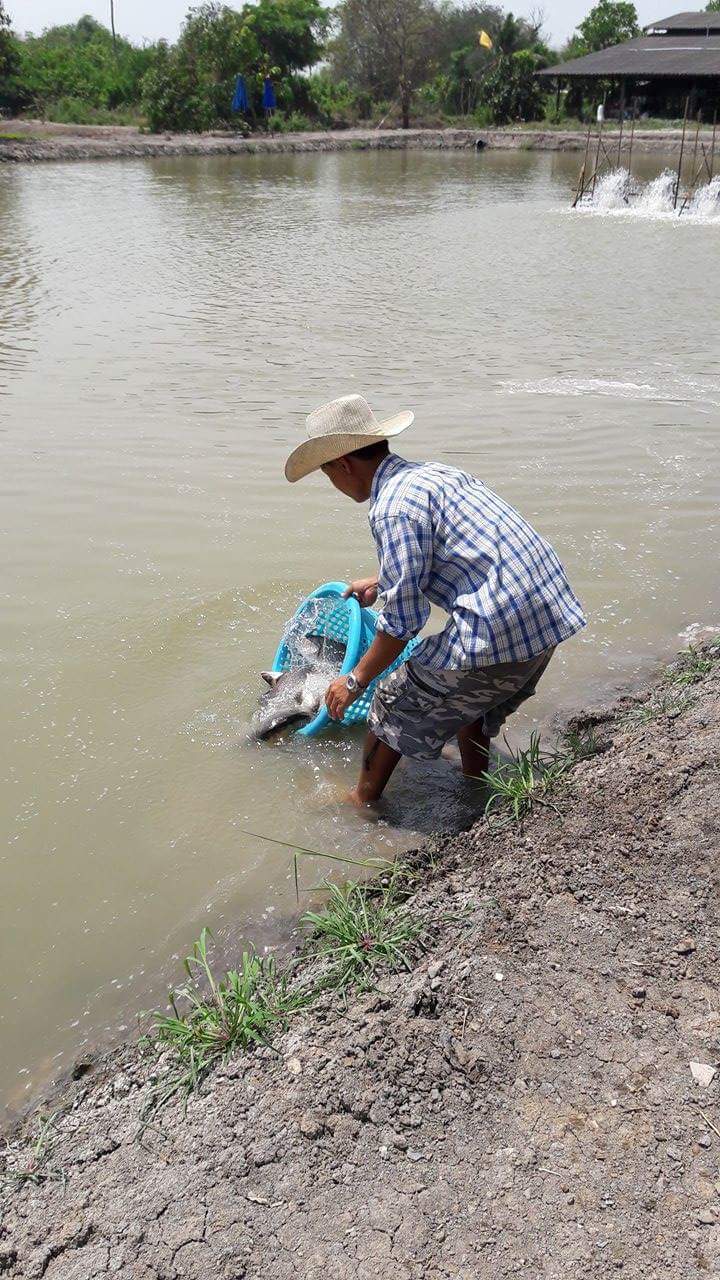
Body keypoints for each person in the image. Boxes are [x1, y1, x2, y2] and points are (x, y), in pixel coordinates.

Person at [285, 394, 586, 807]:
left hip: (501, 632)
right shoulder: (434, 475)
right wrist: (381, 580)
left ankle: (361, 801)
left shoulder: (390, 508)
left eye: (327, 475)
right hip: (548, 620)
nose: (334, 485)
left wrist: (354, 680)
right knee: (471, 699)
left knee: (390, 703)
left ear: (343, 464)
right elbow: (466, 549)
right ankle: (476, 787)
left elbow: (402, 621)